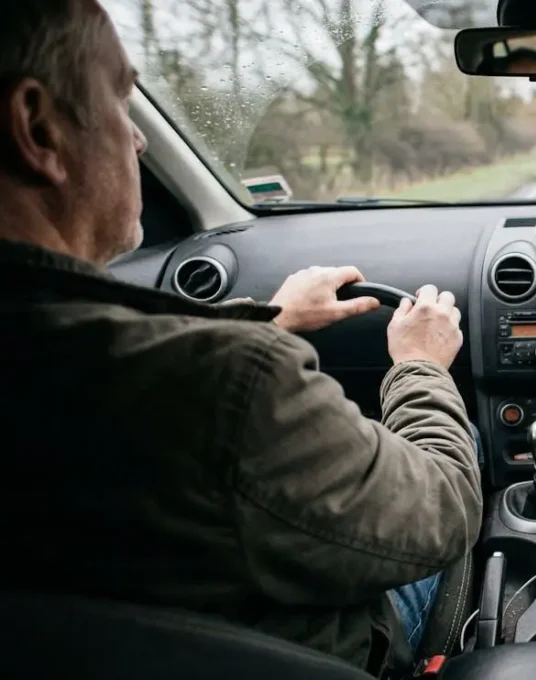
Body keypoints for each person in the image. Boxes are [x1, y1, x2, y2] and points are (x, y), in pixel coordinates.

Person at [0, 1, 481, 674]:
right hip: (310, 652)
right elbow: (443, 508)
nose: (138, 141)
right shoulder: (232, 383)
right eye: (122, 100)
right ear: (38, 128)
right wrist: (421, 368)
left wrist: (270, 319)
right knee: (461, 448)